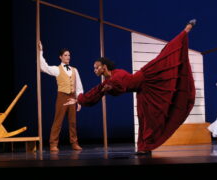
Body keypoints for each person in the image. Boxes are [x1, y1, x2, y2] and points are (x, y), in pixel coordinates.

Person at [64, 19, 197, 155]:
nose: (95, 70)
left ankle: (186, 29)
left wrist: (80, 99)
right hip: (142, 90)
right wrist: (80, 99)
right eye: (94, 68)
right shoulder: (110, 78)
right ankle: (145, 147)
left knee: (166, 57)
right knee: (145, 118)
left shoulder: (114, 79)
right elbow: (97, 93)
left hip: (147, 78)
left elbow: (100, 91)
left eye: (96, 68)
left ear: (104, 67)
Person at [38, 42, 83, 151]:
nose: (68, 57)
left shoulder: (74, 70)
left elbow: (79, 86)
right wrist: (41, 52)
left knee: (72, 121)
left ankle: (74, 142)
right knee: (58, 120)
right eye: (65, 55)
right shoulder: (57, 69)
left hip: (72, 97)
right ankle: (53, 144)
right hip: (62, 96)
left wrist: (79, 101)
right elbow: (44, 67)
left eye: (69, 55)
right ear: (60, 57)